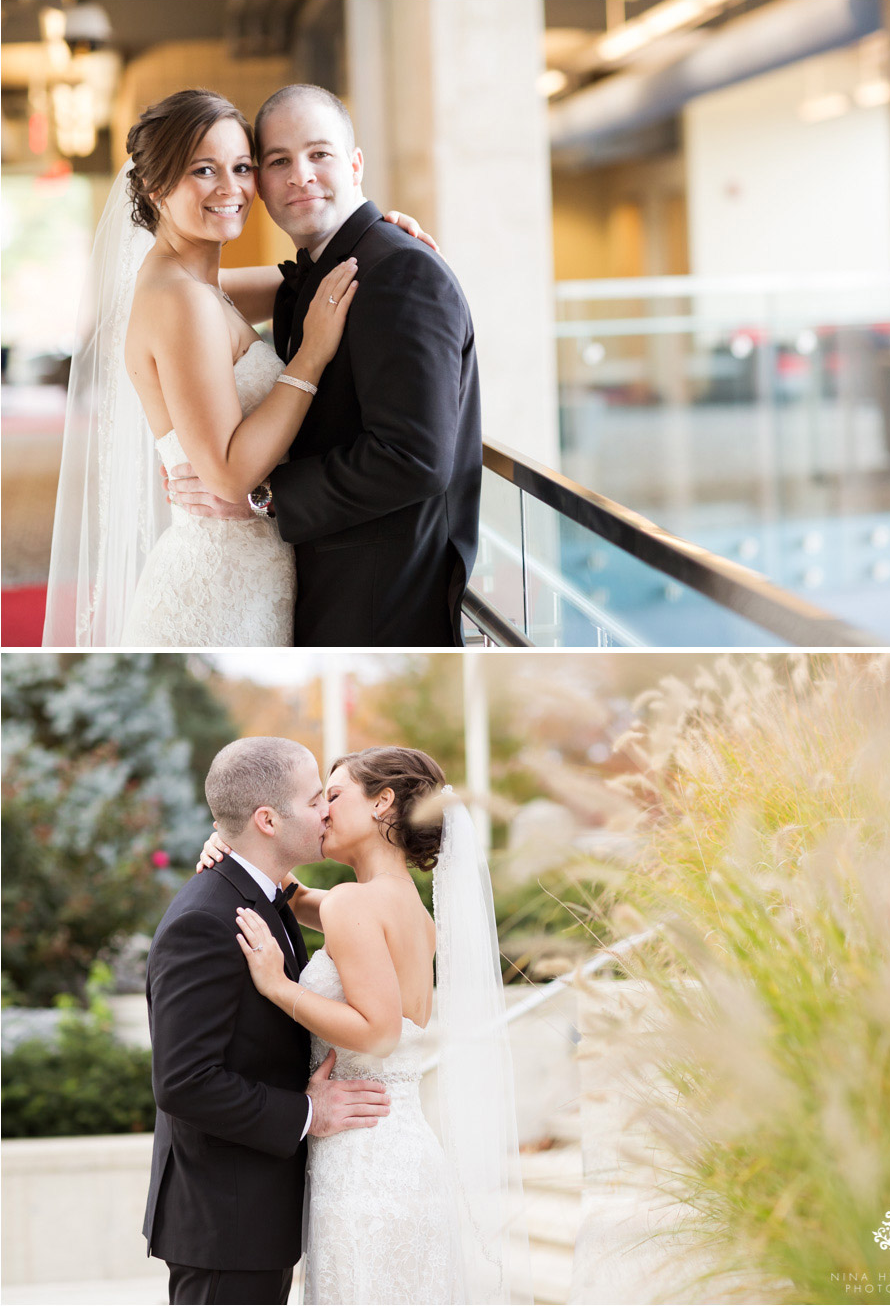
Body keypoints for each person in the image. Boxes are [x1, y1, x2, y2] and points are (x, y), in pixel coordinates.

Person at [41, 88, 434, 647]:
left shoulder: (198, 286)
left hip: (254, 570)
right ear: (156, 187)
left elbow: (313, 280)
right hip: (221, 588)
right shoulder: (181, 300)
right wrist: (311, 355)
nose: (230, 189)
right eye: (204, 170)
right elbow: (228, 474)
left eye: (243, 167)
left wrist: (377, 235)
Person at [197, 745, 529, 1304]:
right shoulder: (411, 913)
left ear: (383, 803)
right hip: (409, 1153)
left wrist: (278, 986)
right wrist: (234, 849)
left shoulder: (354, 903)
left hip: (363, 1163)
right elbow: (292, 896)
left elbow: (379, 1033)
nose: (323, 811)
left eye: (333, 795)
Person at [168, 85, 483, 647]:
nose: (300, 176)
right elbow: (190, 302)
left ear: (355, 164)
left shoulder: (403, 274)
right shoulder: (317, 274)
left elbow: (414, 459)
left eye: (320, 154)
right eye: (278, 161)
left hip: (379, 602)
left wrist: (261, 498)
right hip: (325, 584)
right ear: (261, 184)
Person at [142, 737, 392, 1306]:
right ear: (267, 820)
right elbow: (183, 1082)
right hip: (224, 1226)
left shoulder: (263, 897)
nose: (326, 810)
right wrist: (310, 1111)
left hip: (253, 1220)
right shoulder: (205, 920)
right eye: (313, 800)